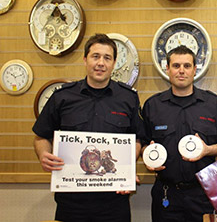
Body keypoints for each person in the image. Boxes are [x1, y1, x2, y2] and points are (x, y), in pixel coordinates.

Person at [33, 33, 144, 222]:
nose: (101, 63)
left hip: (114, 200)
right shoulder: (62, 97)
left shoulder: (128, 99)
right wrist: (43, 154)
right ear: (85, 60)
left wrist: (126, 168)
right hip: (72, 201)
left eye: (107, 58)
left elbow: (138, 139)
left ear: (114, 63)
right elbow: (41, 137)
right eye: (95, 56)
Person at [141, 45, 217, 222]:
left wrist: (209, 150)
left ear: (194, 70)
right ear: (167, 69)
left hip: (204, 194)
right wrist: (148, 158)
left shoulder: (212, 104)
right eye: (176, 66)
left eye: (187, 66)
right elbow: (143, 143)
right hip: (166, 193)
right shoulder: (153, 106)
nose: (181, 71)